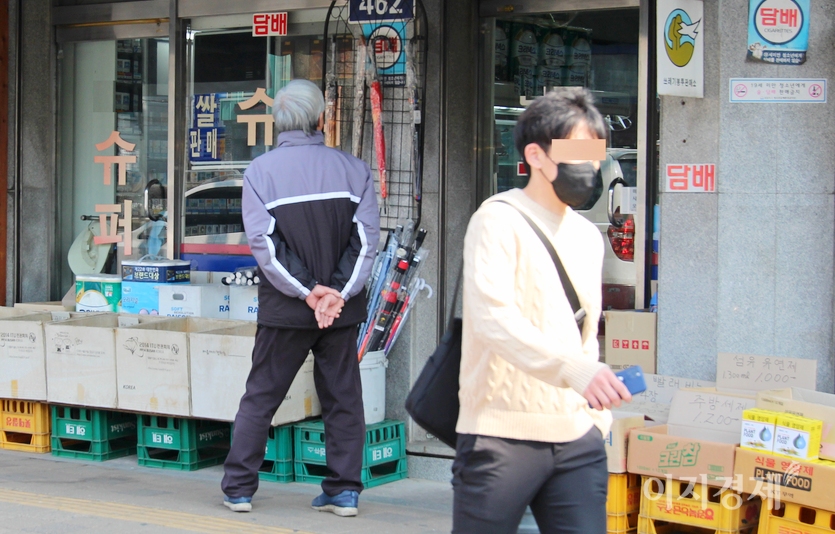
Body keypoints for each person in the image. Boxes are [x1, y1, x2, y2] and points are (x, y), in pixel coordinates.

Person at [452, 88, 632, 534]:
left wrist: (595, 412)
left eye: (595, 154)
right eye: (576, 152)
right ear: (536, 154)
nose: (589, 166)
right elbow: (493, 320)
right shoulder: (497, 219)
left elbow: (585, 335)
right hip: (500, 437)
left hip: (577, 436)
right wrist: (575, 371)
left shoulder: (588, 237)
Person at [221, 79, 380, 517]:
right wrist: (336, 295)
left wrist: (309, 292)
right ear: (321, 119)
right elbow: (366, 243)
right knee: (343, 398)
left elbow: (265, 245)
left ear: (277, 121)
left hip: (285, 310)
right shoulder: (354, 169)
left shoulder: (260, 172)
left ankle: (239, 488)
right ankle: (344, 490)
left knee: (261, 397)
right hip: (341, 313)